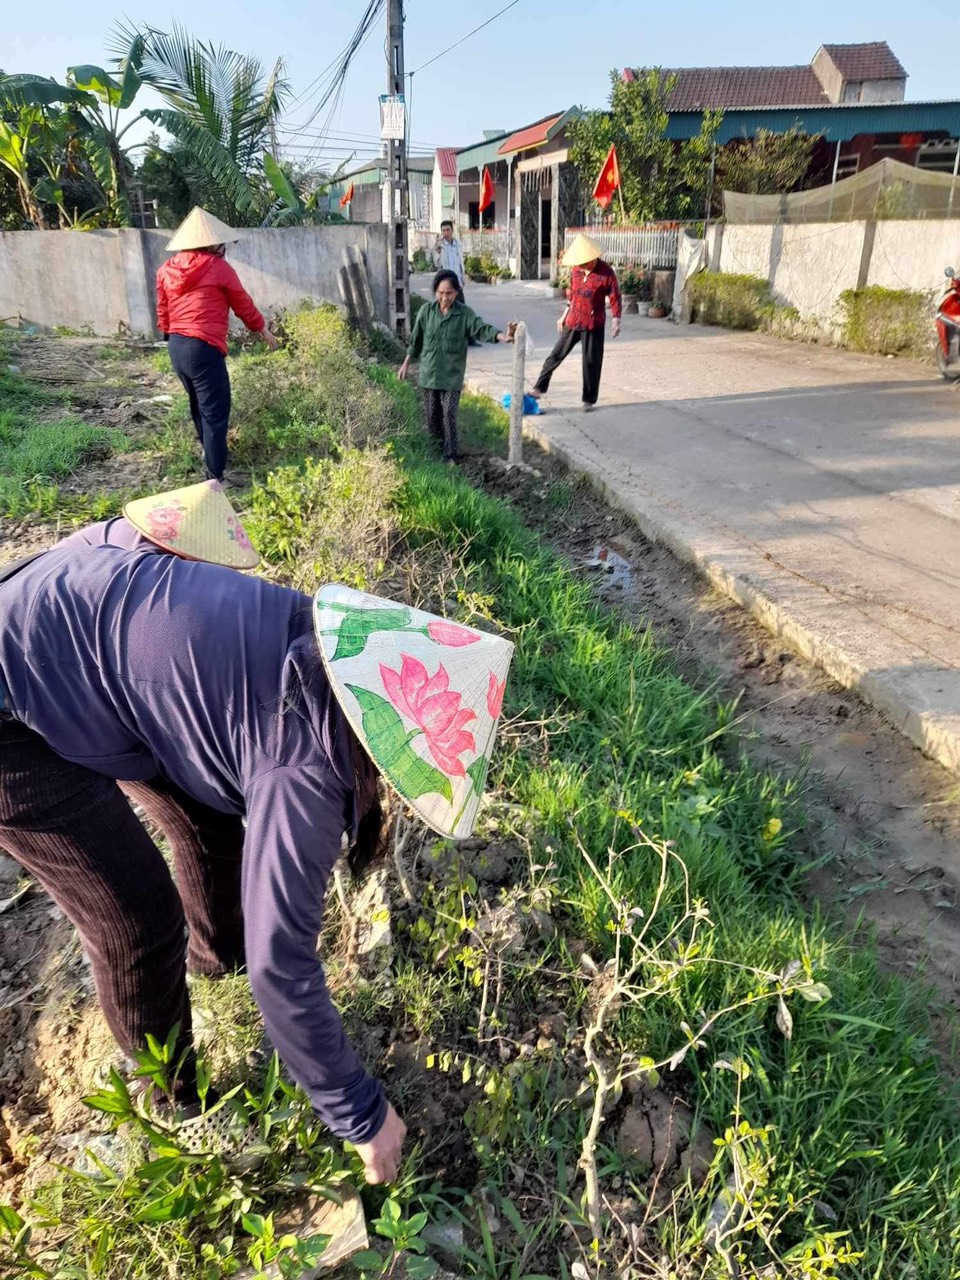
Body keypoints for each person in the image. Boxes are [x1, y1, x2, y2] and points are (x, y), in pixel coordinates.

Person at [0, 502, 514, 1184]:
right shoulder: (305, 766)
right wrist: (363, 1116)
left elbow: (124, 535)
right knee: (135, 914)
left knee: (209, 822)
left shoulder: (306, 637)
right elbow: (285, 968)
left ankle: (215, 963)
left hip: (66, 619)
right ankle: (170, 1104)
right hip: (12, 706)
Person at [156, 206, 279, 484]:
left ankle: (209, 456)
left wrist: (170, 335)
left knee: (198, 405)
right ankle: (215, 478)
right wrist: (262, 330)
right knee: (216, 412)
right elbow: (242, 302)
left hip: (177, 346)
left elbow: (162, 308)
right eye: (220, 242)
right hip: (203, 346)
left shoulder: (165, 270)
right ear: (210, 242)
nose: (223, 247)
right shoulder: (218, 268)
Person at [398, 270, 515, 463]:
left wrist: (504, 336)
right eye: (440, 293)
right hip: (430, 374)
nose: (444, 298)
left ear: (456, 292)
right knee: (432, 416)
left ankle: (450, 455)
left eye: (449, 293)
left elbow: (481, 328)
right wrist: (406, 364)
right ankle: (435, 453)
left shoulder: (464, 314)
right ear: (435, 291)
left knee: (448, 414)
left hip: (452, 376)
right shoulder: (426, 312)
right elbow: (416, 341)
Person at [531, 234, 621, 412]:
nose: (582, 266)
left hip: (594, 323)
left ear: (593, 257)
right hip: (574, 320)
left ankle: (589, 400)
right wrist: (564, 315)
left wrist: (616, 320)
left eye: (585, 262)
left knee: (591, 362)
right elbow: (572, 295)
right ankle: (539, 388)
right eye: (580, 263)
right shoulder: (576, 271)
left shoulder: (606, 273)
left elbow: (615, 297)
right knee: (555, 354)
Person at [434, 220, 466, 296]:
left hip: (458, 283)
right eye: (443, 230)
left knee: (461, 307)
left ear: (452, 230)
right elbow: (437, 264)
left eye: (448, 230)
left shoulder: (458, 245)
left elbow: (460, 264)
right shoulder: (440, 246)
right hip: (446, 285)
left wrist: (462, 279)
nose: (446, 233)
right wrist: (438, 251)